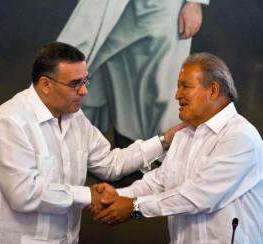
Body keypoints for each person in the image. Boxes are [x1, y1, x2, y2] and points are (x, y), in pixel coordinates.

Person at [0, 41, 183, 244]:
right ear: (46, 84)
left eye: (85, 80)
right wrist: (89, 195)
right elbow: (24, 194)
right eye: (75, 84)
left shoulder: (75, 117)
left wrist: (163, 140)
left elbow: (110, 163)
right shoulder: (11, 122)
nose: (84, 91)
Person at [92, 53, 263, 244]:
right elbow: (159, 183)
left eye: (185, 86)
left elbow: (198, 196)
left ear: (213, 90)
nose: (177, 95)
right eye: (178, 87)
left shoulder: (240, 136)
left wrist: (134, 208)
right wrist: (117, 197)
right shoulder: (184, 135)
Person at [57, 0, 210, 146]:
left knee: (161, 87)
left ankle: (159, 157)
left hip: (164, 10)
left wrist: (195, 3)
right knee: (113, 78)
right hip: (118, 10)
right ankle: (128, 154)